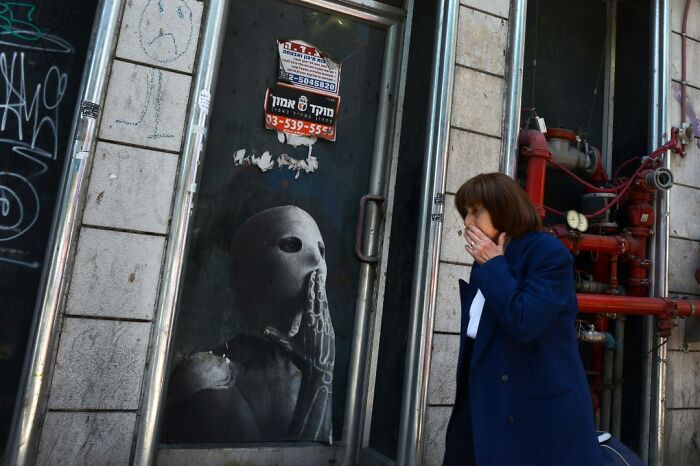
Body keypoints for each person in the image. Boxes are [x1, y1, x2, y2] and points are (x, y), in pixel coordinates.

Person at [443, 173, 602, 466]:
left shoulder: (548, 253)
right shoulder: (488, 259)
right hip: (484, 404)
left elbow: (525, 321)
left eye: (476, 211)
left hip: (533, 414)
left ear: (503, 208)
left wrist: (493, 265)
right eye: (465, 212)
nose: (467, 222)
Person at [165, 206, 334, 443]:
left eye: (321, 250)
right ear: (245, 272)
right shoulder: (207, 376)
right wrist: (320, 378)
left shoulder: (300, 372)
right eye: (291, 245)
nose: (317, 261)